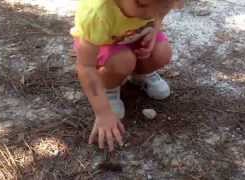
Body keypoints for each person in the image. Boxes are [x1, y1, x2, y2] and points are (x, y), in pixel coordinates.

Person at [71, 0, 183, 151]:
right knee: (123, 61)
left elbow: (157, 13)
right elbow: (86, 66)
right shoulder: (97, 13)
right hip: (103, 42)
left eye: (162, 8)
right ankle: (109, 88)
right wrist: (103, 112)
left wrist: (154, 29)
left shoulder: (154, 6)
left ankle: (140, 75)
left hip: (134, 35)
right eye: (141, 5)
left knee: (162, 52)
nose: (148, 15)